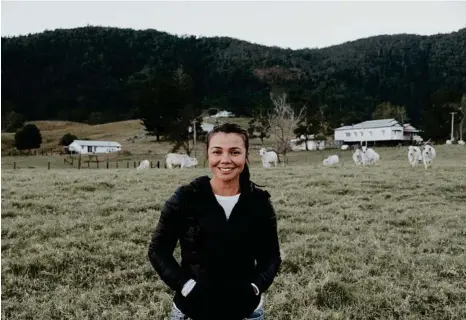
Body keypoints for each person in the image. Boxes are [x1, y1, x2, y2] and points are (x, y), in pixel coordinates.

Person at [148, 123, 282, 320]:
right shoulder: (185, 198)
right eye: (217, 152)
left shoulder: (259, 203)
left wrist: (255, 287)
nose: (225, 160)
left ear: (245, 156)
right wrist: (187, 287)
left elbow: (271, 256)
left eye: (235, 152)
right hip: (192, 312)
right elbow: (158, 251)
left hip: (246, 312)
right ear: (208, 155)